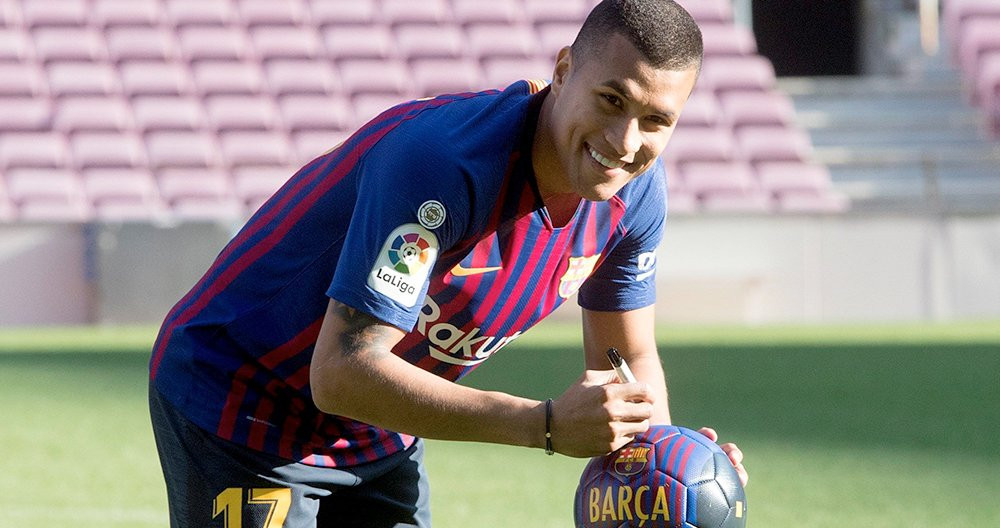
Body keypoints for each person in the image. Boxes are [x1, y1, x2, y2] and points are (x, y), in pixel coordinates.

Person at [148, 1, 747, 526]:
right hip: (243, 399)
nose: (624, 140)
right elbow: (341, 371)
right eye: (611, 100)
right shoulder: (443, 166)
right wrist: (541, 425)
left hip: (376, 426)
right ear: (563, 71)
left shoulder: (634, 195)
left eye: (655, 121)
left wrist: (671, 465)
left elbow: (629, 361)